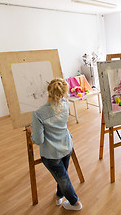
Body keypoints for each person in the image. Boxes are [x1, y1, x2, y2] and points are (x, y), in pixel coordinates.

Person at [31, 78, 82, 211]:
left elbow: (38, 140)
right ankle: (59, 194)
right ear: (63, 93)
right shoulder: (65, 104)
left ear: (49, 91)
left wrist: (31, 133)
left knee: (63, 178)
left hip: (51, 154)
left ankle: (75, 203)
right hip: (66, 146)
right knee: (62, 175)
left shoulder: (38, 114)